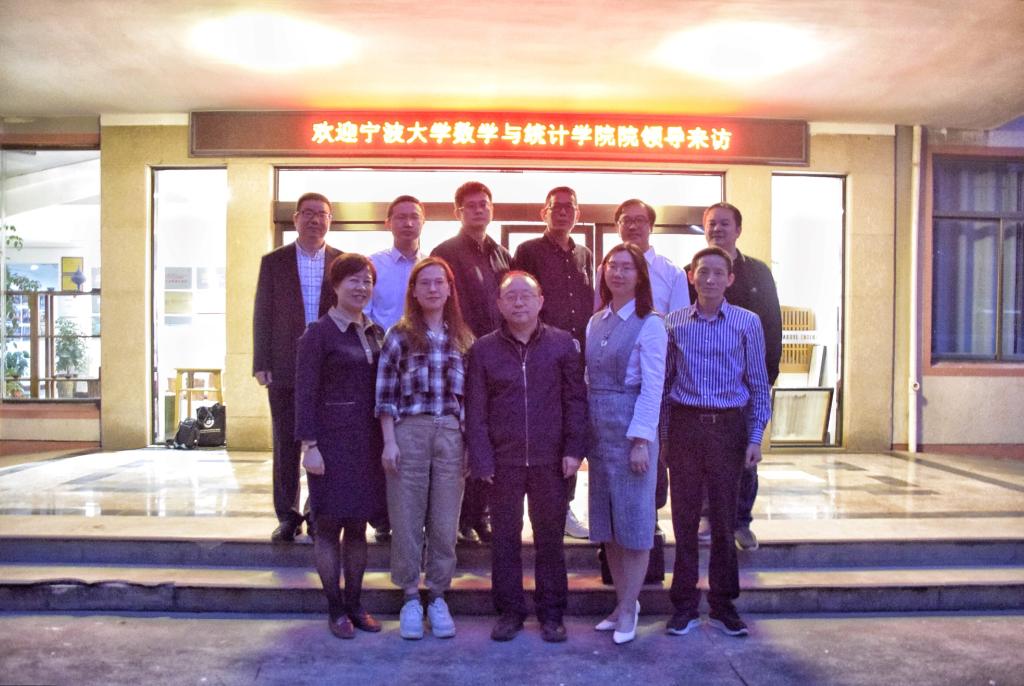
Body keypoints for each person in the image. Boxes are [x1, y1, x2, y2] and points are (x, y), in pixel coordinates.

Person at [465, 271, 586, 643]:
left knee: (550, 538)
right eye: (510, 296)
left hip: (552, 460)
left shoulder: (562, 344)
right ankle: (510, 612)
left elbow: (575, 401)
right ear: (499, 304)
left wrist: (574, 449)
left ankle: (552, 614)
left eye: (526, 295)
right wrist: (481, 457)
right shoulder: (483, 349)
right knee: (504, 539)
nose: (519, 302)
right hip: (503, 461)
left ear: (540, 301)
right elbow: (475, 408)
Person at [664, 246, 771, 638]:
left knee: (725, 522)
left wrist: (755, 437)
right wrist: (663, 438)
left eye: (718, 273)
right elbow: (665, 385)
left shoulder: (747, 322)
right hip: (686, 426)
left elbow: (758, 384)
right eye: (702, 271)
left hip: (729, 429)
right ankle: (684, 606)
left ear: (730, 279)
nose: (709, 279)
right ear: (691, 276)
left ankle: (724, 606)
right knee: (684, 520)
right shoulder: (673, 323)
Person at [375, 256, 474, 640]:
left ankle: (438, 595)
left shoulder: (463, 338)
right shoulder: (398, 335)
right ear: (414, 291)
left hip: (450, 433)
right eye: (425, 283)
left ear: (449, 290)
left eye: (439, 282)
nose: (433, 288)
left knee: (445, 522)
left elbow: (470, 398)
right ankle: (410, 597)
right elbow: (385, 394)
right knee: (406, 518)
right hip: (409, 432)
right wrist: (389, 442)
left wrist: (468, 443)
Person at [294, 253, 387, 639]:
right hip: (330, 445)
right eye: (354, 280)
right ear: (335, 285)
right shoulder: (318, 333)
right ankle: (335, 609)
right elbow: (304, 393)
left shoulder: (376, 332)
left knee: (358, 528)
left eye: (367, 281)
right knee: (329, 528)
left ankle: (356, 604)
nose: (361, 287)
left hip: (367, 444)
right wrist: (310, 446)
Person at [689, 202, 782, 551]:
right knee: (702, 455)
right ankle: (707, 515)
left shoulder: (758, 273)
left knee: (746, 454)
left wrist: (766, 378)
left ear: (738, 229)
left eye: (724, 224)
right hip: (702, 384)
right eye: (711, 223)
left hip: (746, 383)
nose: (717, 229)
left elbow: (773, 324)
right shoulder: (692, 271)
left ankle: (741, 521)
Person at [586, 243, 667, 645]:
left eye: (626, 267)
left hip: (631, 427)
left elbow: (653, 387)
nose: (617, 273)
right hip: (599, 430)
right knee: (609, 525)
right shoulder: (595, 321)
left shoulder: (650, 323)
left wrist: (640, 441)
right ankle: (621, 603)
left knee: (634, 523)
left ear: (639, 276)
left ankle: (631, 606)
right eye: (612, 266)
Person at [253, 191, 341, 542]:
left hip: (329, 367)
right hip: (284, 364)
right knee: (285, 442)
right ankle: (288, 516)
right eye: (308, 213)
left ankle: (318, 510)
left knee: (326, 442)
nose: (315, 219)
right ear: (296, 219)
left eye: (322, 213)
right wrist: (261, 361)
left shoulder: (341, 261)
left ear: (330, 220)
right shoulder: (274, 261)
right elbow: (262, 312)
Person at [432, 181, 512, 544]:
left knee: (492, 434)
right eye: (471, 205)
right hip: (459, 355)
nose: (479, 210)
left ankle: (482, 515)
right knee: (461, 435)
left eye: (484, 204)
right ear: (458, 212)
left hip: (498, 357)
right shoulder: (445, 251)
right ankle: (458, 516)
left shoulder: (501, 254)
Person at [512, 186, 594, 539]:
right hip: (539, 353)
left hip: (575, 356)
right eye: (556, 206)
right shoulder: (528, 251)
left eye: (569, 207)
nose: (563, 212)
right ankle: (533, 506)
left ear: (578, 213)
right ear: (543, 213)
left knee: (570, 426)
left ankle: (565, 505)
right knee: (540, 427)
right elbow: (518, 295)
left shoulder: (584, 253)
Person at [365, 194, 427, 544]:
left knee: (414, 444)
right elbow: (365, 314)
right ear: (388, 223)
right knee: (381, 441)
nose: (408, 223)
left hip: (424, 369)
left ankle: (416, 515)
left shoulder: (432, 266)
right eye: (400, 217)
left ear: (423, 222)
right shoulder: (374, 265)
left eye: (414, 217)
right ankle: (382, 518)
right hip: (383, 364)